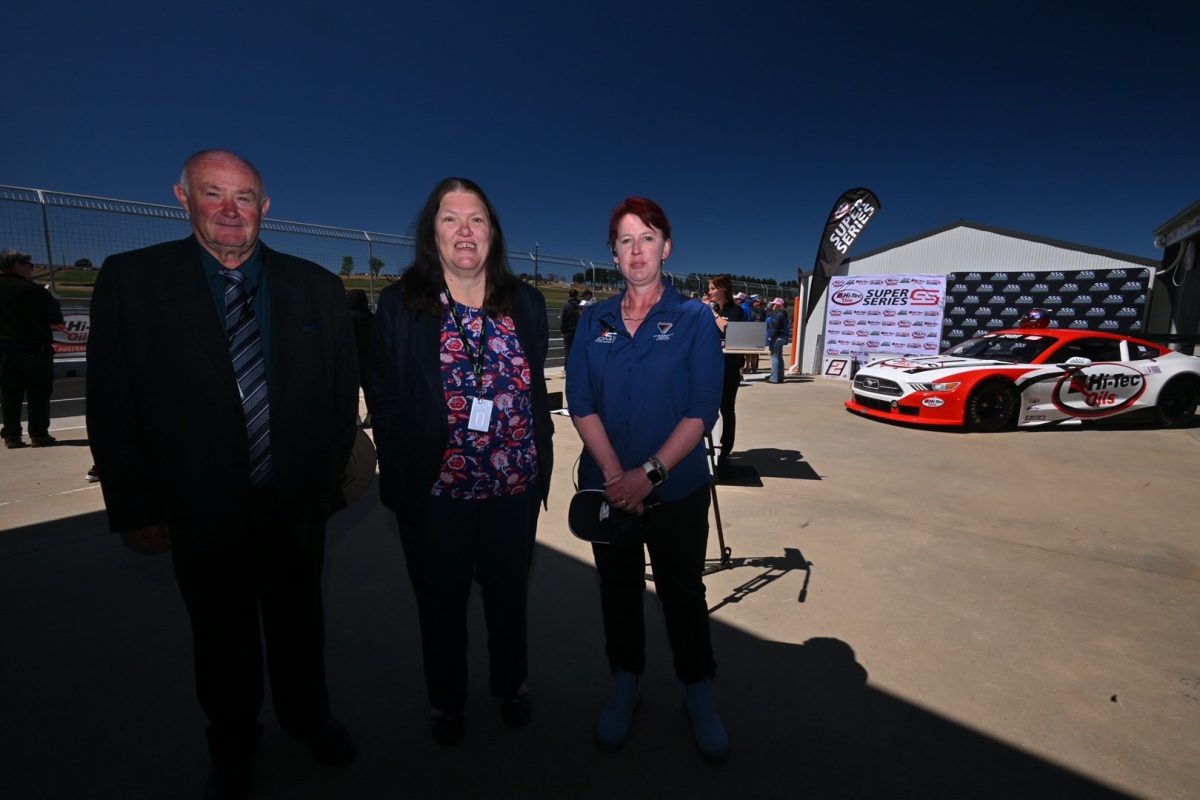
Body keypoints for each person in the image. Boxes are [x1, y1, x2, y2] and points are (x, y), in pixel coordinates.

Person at [86, 149, 360, 800]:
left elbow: (337, 398)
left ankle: (307, 718)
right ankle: (234, 741)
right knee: (220, 636)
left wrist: (323, 489)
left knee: (301, 624)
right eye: (214, 194)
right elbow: (112, 401)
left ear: (266, 209)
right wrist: (134, 506)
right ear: (182, 198)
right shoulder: (132, 282)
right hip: (198, 505)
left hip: (292, 502)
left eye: (245, 198)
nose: (230, 210)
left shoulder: (315, 286)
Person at [371, 177, 553, 746]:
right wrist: (406, 471)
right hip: (438, 493)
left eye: (477, 219)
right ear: (432, 233)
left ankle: (511, 685)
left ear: (493, 232)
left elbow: (533, 385)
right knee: (441, 607)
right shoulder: (401, 304)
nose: (465, 230)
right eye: (451, 219)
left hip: (513, 487)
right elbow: (386, 395)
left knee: (509, 598)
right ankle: (446, 702)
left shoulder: (524, 301)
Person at [567, 196, 729, 763]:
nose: (637, 250)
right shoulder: (595, 319)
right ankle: (626, 682)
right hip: (610, 487)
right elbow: (580, 401)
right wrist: (617, 476)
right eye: (626, 240)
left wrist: (650, 475)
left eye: (648, 237)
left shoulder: (692, 320)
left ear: (667, 247)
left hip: (677, 489)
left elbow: (702, 408)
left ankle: (697, 690)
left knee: (683, 592)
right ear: (613, 252)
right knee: (617, 589)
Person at [0, 249, 64, 448]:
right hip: (34, 349)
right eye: (30, 265)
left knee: (10, 394)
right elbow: (58, 322)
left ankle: (11, 435)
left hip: (4, 350)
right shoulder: (34, 291)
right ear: (18, 265)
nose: (32, 269)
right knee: (38, 394)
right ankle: (38, 433)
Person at [707, 274, 744, 475]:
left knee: (727, 408)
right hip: (712, 366)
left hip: (729, 367)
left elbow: (731, 331)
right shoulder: (715, 310)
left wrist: (713, 316)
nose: (710, 292)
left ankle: (725, 449)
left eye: (713, 288)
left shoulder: (735, 311)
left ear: (723, 289)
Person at [346, 288, 374, 424]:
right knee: (370, 389)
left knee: (351, 391)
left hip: (350, 361)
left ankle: (355, 417)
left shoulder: (345, 319)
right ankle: (371, 415)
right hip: (369, 360)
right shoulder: (372, 318)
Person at [765, 297, 791, 383]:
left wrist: (770, 338)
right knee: (779, 357)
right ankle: (780, 377)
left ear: (777, 305)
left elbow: (773, 328)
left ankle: (774, 378)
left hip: (776, 337)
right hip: (782, 337)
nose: (772, 305)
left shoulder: (777, 314)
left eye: (774, 304)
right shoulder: (784, 314)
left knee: (775, 357)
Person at [559, 287, 583, 361]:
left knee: (568, 350)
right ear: (577, 295)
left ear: (569, 295)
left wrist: (562, 331)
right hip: (579, 331)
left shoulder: (566, 306)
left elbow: (563, 319)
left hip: (569, 332)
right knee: (579, 350)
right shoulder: (581, 305)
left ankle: (567, 367)